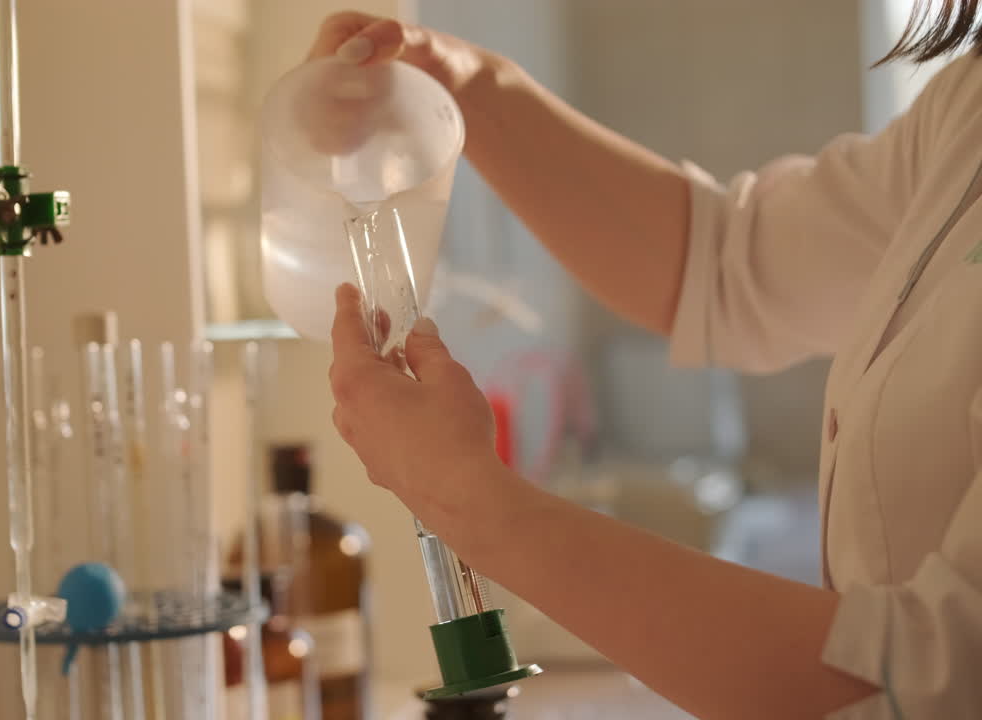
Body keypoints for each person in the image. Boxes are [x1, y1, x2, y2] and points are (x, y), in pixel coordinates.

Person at [318, 5, 982, 719]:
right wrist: (459, 84)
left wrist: (468, 496)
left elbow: (941, 678)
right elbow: (724, 262)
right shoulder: (967, 108)